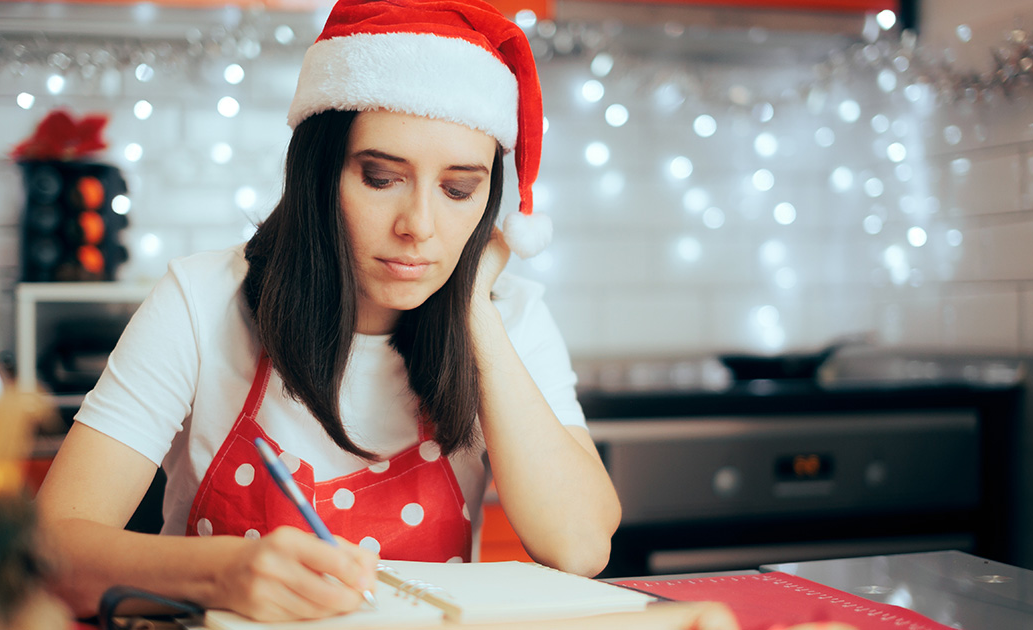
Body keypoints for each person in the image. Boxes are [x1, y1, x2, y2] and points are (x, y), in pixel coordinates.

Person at [35, 0, 622, 622]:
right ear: (319, 173)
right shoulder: (201, 300)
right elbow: (46, 551)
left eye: (458, 190)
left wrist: (473, 307)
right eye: (380, 178)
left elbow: (580, 545)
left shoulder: (512, 318)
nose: (419, 227)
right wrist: (221, 575)